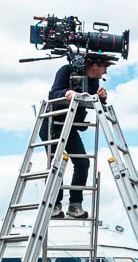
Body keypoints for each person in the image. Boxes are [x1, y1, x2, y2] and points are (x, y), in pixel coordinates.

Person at [42, 56, 112, 219]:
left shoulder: (93, 82)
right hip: (52, 123)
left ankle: (75, 205)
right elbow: (53, 94)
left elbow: (96, 102)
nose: (104, 73)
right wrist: (67, 93)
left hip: (70, 125)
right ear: (95, 65)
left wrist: (102, 97)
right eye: (104, 68)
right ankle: (54, 205)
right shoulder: (66, 71)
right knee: (55, 164)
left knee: (82, 162)